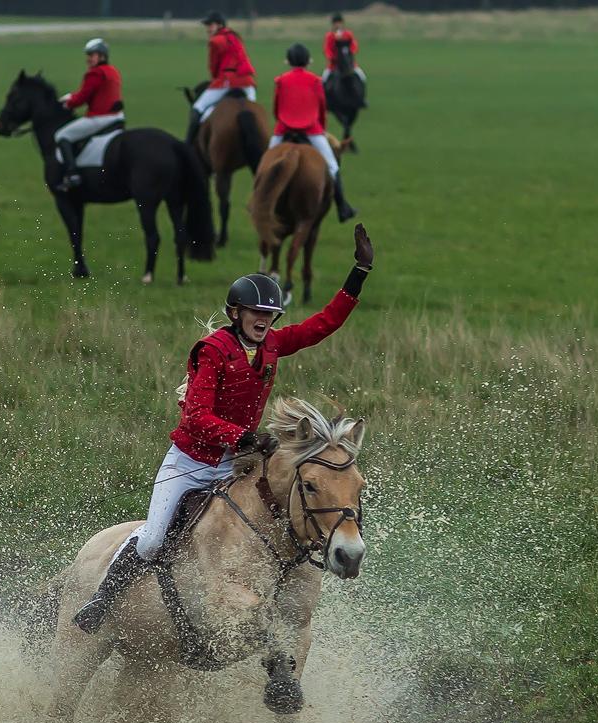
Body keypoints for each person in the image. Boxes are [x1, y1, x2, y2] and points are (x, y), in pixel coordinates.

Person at [73, 225, 375, 633]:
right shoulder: (213, 351)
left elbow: (323, 324)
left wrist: (359, 273)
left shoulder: (272, 346)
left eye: (270, 315)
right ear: (236, 314)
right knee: (152, 539)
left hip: (235, 465)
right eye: (256, 314)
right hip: (190, 463)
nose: (263, 321)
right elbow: (196, 416)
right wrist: (243, 437)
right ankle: (101, 600)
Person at [270, 43, 357, 223]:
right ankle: (343, 208)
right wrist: (322, 129)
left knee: (266, 163)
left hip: (284, 128)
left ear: (288, 61)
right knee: (332, 166)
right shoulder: (316, 80)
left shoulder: (280, 80)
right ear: (308, 61)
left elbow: (276, 109)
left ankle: (258, 201)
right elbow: (321, 107)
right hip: (311, 129)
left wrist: (284, 122)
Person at [54, 38, 124, 192]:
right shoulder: (113, 71)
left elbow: (82, 98)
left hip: (100, 118)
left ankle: (72, 174)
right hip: (118, 117)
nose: (88, 59)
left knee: (61, 136)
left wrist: (67, 102)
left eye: (92, 55)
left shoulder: (95, 73)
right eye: (88, 55)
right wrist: (73, 97)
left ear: (102, 56)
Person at [185, 10, 256, 146]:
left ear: (220, 25)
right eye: (206, 25)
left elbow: (213, 67)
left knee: (198, 107)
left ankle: (187, 145)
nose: (207, 29)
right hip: (247, 82)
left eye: (210, 25)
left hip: (227, 81)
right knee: (252, 113)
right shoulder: (235, 37)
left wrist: (215, 81)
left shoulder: (215, 41)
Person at [322, 12, 366, 85]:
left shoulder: (348, 34)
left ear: (342, 23)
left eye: (339, 23)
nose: (337, 25)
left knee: (362, 77)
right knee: (324, 79)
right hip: (334, 65)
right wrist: (332, 57)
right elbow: (327, 49)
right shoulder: (329, 36)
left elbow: (354, 46)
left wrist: (349, 54)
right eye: (335, 23)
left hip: (349, 64)